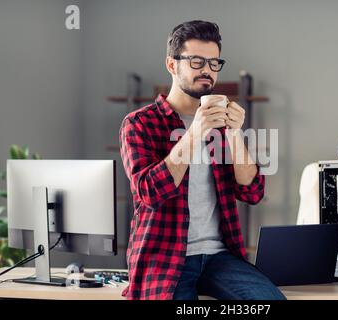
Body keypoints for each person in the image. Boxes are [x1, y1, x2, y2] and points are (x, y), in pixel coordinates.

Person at [119, 20, 286, 300]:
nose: (207, 70)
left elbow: (253, 191)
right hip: (165, 259)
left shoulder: (222, 125)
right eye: (196, 62)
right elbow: (149, 192)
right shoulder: (139, 123)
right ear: (172, 65)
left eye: (213, 63)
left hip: (220, 257)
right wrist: (194, 132)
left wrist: (234, 134)